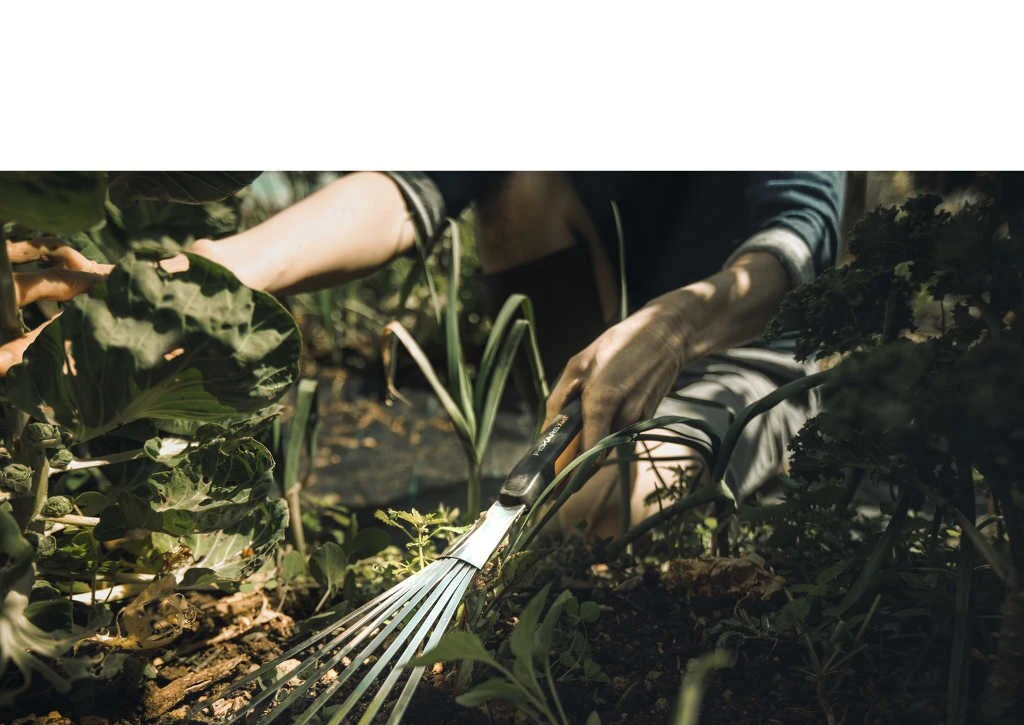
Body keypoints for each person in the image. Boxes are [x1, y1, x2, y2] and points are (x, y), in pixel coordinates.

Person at [2, 171, 845, 536]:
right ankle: (569, 437)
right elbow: (405, 191)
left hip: (734, 352)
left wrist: (673, 328)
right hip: (595, 346)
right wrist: (192, 280)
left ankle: (606, 479)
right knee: (520, 180)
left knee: (596, 516)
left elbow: (800, 238)